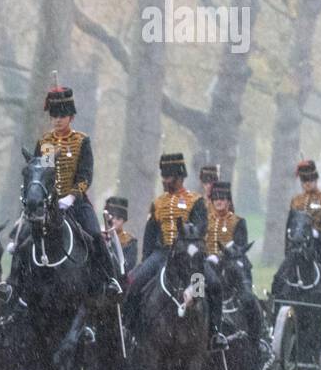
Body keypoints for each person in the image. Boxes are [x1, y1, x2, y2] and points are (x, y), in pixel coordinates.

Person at [125, 152, 223, 344]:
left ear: (179, 177)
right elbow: (151, 234)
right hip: (161, 253)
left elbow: (200, 230)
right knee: (135, 282)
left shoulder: (195, 201)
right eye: (163, 176)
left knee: (214, 285)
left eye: (168, 177)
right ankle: (130, 329)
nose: (164, 180)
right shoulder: (158, 203)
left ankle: (214, 333)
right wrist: (146, 260)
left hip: (189, 255)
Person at [32, 84, 121, 293]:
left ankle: (108, 280)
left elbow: (85, 176)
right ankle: (15, 285)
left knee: (95, 235)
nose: (58, 119)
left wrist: (71, 197)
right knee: (22, 236)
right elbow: (42, 174)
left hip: (76, 203)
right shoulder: (45, 143)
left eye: (62, 115)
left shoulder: (81, 141)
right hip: (49, 204)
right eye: (54, 115)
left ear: (70, 117)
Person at [285, 159, 321, 295]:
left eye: (310, 180)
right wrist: (288, 247)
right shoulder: (295, 201)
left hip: (320, 246)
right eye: (304, 180)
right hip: (297, 246)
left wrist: (317, 232)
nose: (307, 183)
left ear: (316, 180)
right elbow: (290, 225)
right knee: (280, 276)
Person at [204, 180, 248, 256]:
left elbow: (240, 247)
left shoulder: (238, 222)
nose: (218, 202)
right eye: (216, 199)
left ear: (228, 201)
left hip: (229, 261)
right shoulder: (205, 220)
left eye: (222, 199)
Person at [103, 196, 137, 273]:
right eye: (112, 218)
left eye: (118, 219)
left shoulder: (130, 241)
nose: (114, 221)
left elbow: (129, 265)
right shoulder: (100, 237)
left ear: (124, 221)